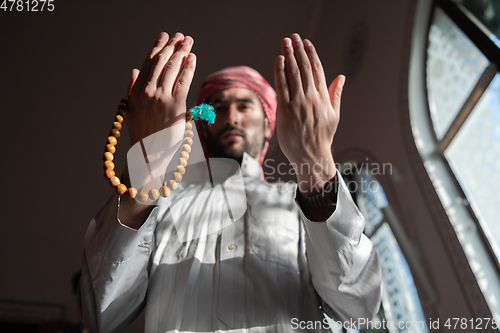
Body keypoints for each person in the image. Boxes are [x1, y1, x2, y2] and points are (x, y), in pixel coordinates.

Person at [78, 32, 382, 333]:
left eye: (245, 106)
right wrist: (147, 161)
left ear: (269, 126)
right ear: (204, 127)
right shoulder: (161, 202)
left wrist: (316, 163)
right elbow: (100, 316)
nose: (232, 117)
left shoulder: (296, 202)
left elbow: (357, 309)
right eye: (219, 108)